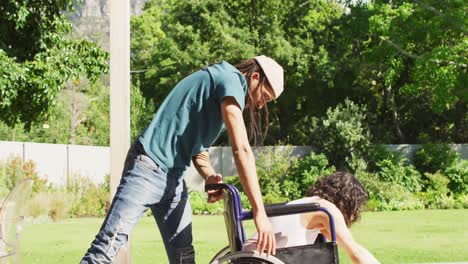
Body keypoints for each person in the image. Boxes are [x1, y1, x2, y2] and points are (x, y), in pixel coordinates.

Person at [81, 55, 284, 263]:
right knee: (105, 249)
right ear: (255, 77)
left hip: (174, 179)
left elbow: (198, 149)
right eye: (264, 97)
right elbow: (241, 149)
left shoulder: (221, 90)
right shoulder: (231, 79)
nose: (260, 105)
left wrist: (209, 175)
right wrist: (260, 213)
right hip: (147, 168)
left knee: (184, 258)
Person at [243, 171, 380, 264]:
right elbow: (355, 252)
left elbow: (339, 241)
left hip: (250, 258)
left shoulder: (307, 203)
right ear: (348, 202)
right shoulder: (326, 210)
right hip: (268, 259)